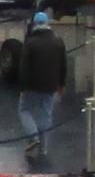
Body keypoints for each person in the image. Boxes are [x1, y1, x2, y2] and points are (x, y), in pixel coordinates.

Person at [14, 11, 70, 164]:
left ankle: (33, 136)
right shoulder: (58, 41)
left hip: (32, 85)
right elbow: (63, 65)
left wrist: (23, 86)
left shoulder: (30, 42)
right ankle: (44, 148)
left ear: (34, 24)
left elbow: (24, 67)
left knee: (24, 110)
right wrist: (61, 84)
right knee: (46, 114)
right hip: (51, 85)